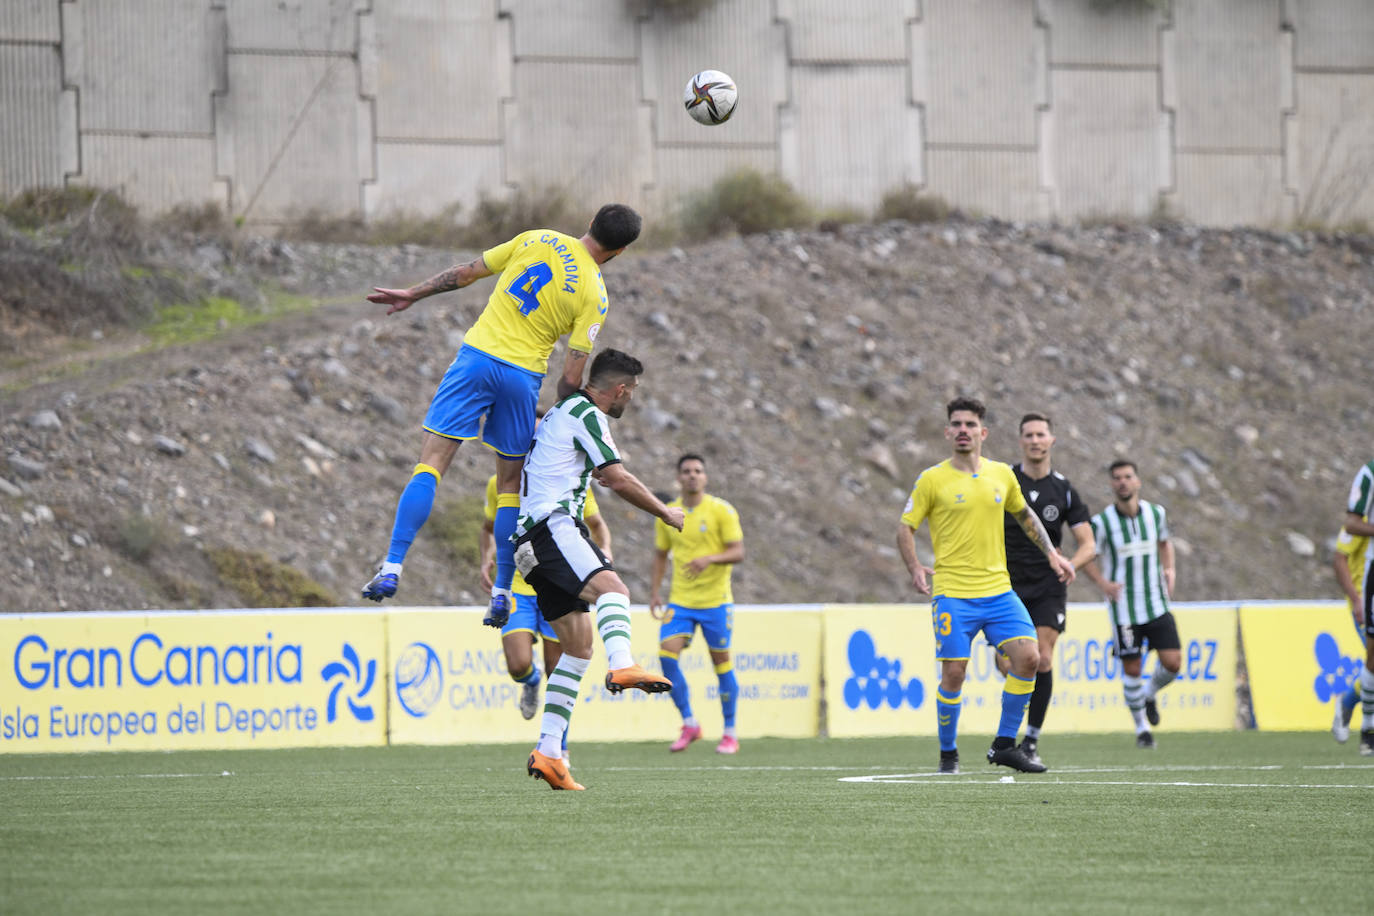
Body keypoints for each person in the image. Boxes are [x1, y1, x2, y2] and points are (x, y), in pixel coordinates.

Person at [359, 203, 642, 632]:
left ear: (588, 224)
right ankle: (502, 592)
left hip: (476, 359)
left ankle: (394, 564)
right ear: (619, 251)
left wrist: (413, 293)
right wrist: (574, 419)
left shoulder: (538, 237)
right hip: (523, 377)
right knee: (510, 484)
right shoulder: (595, 295)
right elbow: (570, 378)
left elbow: (467, 272)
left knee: (430, 465)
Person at [513, 348, 684, 790]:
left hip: (530, 542)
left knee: (577, 650)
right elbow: (618, 477)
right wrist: (666, 512)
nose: (632, 399)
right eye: (633, 391)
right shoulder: (586, 414)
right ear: (620, 389)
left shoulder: (562, 410)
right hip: (552, 528)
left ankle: (550, 753)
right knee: (614, 590)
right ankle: (624, 664)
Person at [897, 397, 1076, 775]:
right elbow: (905, 526)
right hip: (952, 594)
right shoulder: (932, 479)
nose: (963, 430)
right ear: (948, 432)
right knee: (955, 673)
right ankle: (949, 753)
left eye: (970, 424)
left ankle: (1004, 745)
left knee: (1030, 658)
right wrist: (914, 566)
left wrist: (1051, 554)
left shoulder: (1001, 475)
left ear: (983, 432)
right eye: (957, 424)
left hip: (998, 591)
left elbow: (1025, 515)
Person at [480, 472, 612, 735]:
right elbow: (488, 528)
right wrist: (486, 558)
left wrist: (605, 550)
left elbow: (596, 523)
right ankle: (531, 680)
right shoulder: (500, 481)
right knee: (517, 665)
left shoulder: (569, 476)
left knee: (558, 670)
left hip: (557, 582)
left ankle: (559, 747)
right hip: (518, 586)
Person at [1001, 412, 1096, 767]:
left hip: (1047, 585)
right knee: (1009, 663)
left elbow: (1088, 543)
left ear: (1052, 440)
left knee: (1041, 657)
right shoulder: (1005, 480)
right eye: (1028, 435)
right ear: (1021, 441)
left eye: (1041, 434)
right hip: (1005, 583)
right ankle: (1010, 729)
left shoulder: (1064, 489)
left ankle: (1030, 741)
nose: (1035, 440)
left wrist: (1072, 562)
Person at [648, 454, 745, 755]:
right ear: (678, 478)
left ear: (705, 477)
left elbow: (738, 551)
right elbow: (661, 554)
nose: (692, 475)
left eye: (698, 471)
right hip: (681, 601)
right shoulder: (667, 514)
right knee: (666, 657)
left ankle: (729, 733)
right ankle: (690, 723)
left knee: (722, 665)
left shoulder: (721, 511)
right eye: (687, 471)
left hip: (716, 603)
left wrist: (709, 559)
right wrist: (654, 592)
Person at [1081, 460, 1178, 749]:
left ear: (1137, 481)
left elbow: (1164, 543)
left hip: (1156, 603)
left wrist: (1170, 570)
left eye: (1128, 476)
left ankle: (1149, 694)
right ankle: (1142, 729)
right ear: (1111, 485)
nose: (1123, 482)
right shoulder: (1102, 522)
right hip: (1124, 610)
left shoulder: (1155, 514)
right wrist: (1103, 583)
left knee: (1173, 663)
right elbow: (1087, 555)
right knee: (1133, 668)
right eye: (1117, 478)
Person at [1341, 460, 1374, 755]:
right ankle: (1365, 725)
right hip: (1368, 590)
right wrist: (1355, 598)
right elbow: (1339, 555)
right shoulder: (1369, 475)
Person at [1329, 518, 1367, 745]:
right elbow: (1339, 559)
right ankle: (1347, 702)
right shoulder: (1360, 521)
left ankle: (1348, 700)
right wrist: (1355, 600)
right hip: (1366, 602)